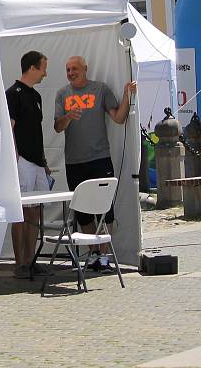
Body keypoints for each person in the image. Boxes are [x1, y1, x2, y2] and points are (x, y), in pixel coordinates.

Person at [54, 56, 136, 271]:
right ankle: (93, 253)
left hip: (99, 158)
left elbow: (118, 118)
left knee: (105, 210)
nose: (71, 72)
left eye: (74, 68)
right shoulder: (62, 94)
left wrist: (128, 96)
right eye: (68, 69)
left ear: (85, 69)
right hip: (74, 161)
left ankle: (105, 255)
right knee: (82, 212)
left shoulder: (100, 89)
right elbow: (57, 127)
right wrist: (68, 116)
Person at [6, 51, 50, 279]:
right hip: (22, 160)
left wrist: (44, 162)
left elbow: (37, 131)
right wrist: (15, 158)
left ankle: (32, 260)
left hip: (37, 161)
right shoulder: (13, 94)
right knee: (20, 212)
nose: (45, 73)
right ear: (32, 68)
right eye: (43, 68)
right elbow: (9, 129)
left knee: (35, 212)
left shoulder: (37, 97)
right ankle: (19, 263)